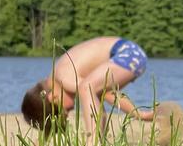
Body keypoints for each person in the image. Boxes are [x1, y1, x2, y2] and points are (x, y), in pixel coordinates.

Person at [21, 36, 154, 137]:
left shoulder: (64, 77)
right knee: (90, 90)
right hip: (128, 53)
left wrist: (138, 114)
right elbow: (103, 94)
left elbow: (100, 93)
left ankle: (93, 142)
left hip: (127, 53)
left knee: (87, 88)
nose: (70, 109)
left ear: (53, 98)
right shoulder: (59, 76)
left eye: (65, 111)